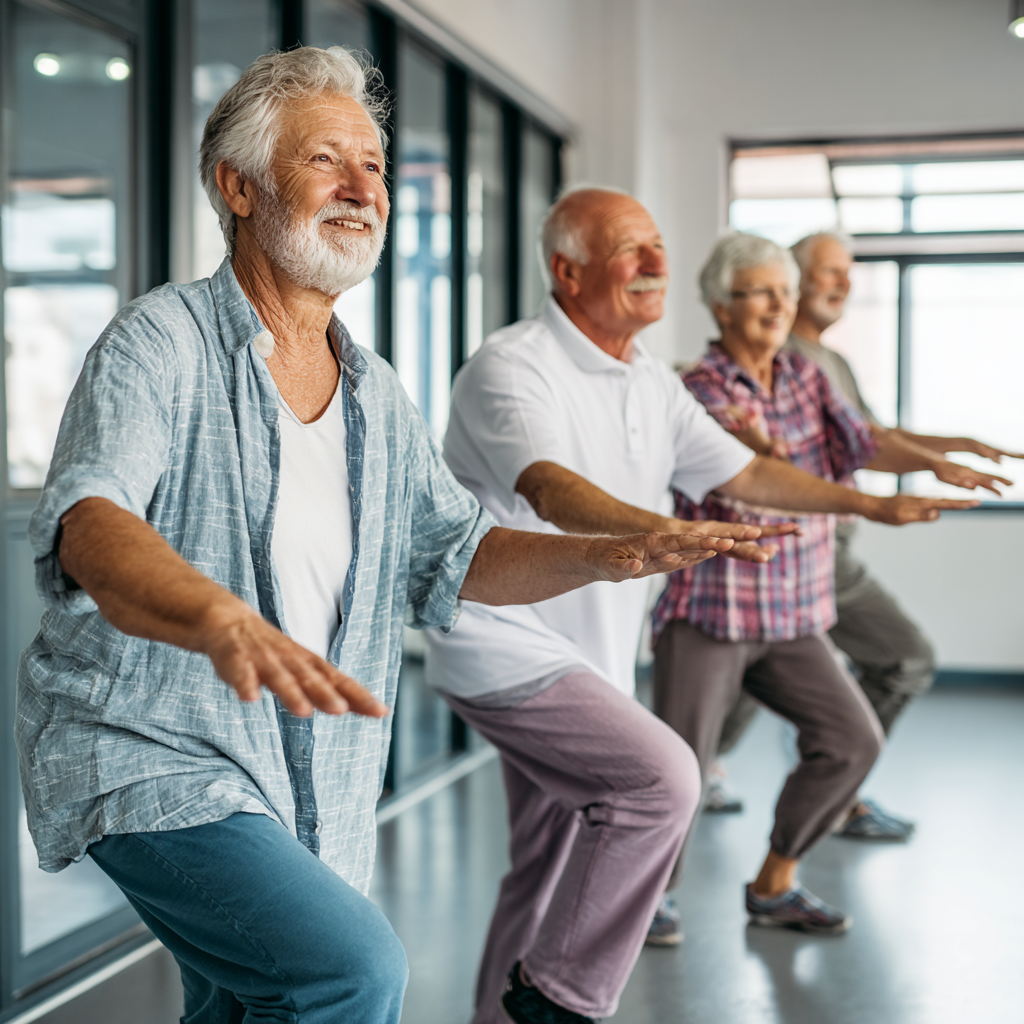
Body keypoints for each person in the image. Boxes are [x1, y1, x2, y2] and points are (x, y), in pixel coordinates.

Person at [14, 51, 727, 1024]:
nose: (362, 188)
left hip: (295, 772)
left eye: (376, 166)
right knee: (346, 970)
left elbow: (457, 552)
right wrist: (218, 615)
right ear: (238, 185)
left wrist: (608, 557)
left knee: (246, 999)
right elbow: (94, 523)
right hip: (150, 751)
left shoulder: (373, 394)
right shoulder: (160, 342)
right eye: (326, 161)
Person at [424, 192, 971, 1024]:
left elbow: (744, 475)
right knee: (664, 779)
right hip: (501, 643)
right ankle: (559, 1001)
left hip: (591, 656)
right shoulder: (511, 365)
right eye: (630, 250)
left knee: (545, 865)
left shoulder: (649, 379)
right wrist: (658, 532)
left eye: (657, 246)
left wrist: (865, 505)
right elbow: (547, 487)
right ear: (567, 271)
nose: (656, 263)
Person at [649, 231, 979, 943]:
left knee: (852, 741)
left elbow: (862, 440)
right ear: (720, 304)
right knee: (679, 774)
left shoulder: (806, 374)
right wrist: (860, 499)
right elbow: (753, 480)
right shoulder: (699, 389)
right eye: (763, 291)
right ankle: (648, 899)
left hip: (795, 612)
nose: (780, 305)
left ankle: (774, 885)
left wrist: (934, 461)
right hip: (713, 612)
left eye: (786, 293)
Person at [714, 230, 1021, 840]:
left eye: (847, 273)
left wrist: (950, 448)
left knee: (757, 679)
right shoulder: (780, 363)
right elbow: (819, 454)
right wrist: (922, 471)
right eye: (826, 272)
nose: (843, 284)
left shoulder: (831, 363)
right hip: (789, 553)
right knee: (889, 659)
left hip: (822, 551)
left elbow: (869, 436)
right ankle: (814, 788)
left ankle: (809, 789)